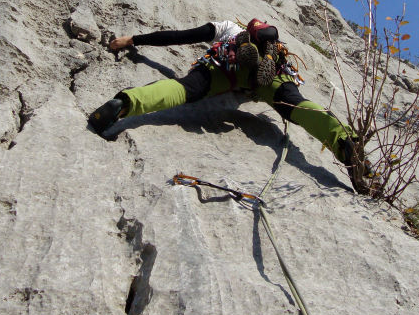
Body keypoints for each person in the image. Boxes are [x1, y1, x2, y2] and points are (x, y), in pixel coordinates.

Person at [88, 19, 370, 194]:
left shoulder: (225, 28)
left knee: (184, 90)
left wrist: (133, 40)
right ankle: (347, 145)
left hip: (226, 63)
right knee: (297, 106)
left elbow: (179, 36)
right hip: (275, 71)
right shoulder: (275, 48)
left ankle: (124, 104)